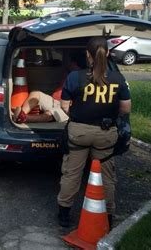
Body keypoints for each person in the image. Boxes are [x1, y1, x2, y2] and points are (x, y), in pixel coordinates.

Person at [57, 37, 131, 228]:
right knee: (106, 176)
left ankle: (64, 214)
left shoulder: (75, 77)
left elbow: (64, 106)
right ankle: (108, 215)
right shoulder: (118, 78)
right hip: (105, 135)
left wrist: (77, 113)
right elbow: (125, 109)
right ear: (107, 53)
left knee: (72, 173)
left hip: (79, 133)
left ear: (87, 55)